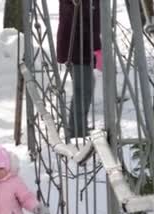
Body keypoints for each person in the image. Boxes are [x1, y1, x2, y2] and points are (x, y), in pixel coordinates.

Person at [56, 0, 101, 138]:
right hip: (77, 47)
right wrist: (97, 48)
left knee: (85, 86)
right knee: (83, 88)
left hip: (80, 46)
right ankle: (77, 131)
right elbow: (83, 21)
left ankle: (77, 128)